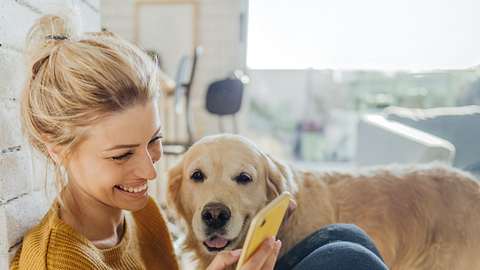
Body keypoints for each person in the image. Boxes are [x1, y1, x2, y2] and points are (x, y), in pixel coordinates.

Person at [11, 14, 281, 270]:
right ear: (58, 150)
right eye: (122, 155)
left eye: (154, 140)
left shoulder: (142, 213)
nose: (150, 172)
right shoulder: (59, 262)